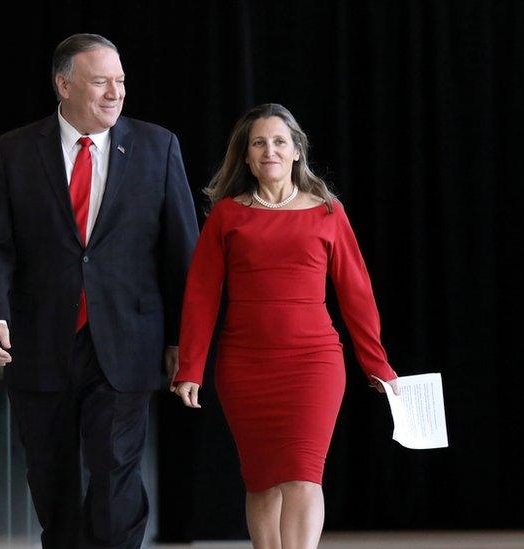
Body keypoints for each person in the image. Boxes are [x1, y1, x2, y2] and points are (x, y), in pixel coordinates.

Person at [0, 33, 198, 548]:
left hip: (127, 340)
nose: (115, 92)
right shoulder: (14, 151)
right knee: (52, 480)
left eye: (120, 81)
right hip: (40, 338)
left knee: (116, 470)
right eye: (101, 81)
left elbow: (184, 254)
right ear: (63, 85)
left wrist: (187, 342)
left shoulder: (157, 146)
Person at [171, 103, 400, 548]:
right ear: (246, 155)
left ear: (297, 151)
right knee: (260, 480)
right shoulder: (227, 215)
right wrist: (190, 368)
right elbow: (200, 296)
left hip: (313, 363)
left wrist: (377, 363)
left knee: (302, 475)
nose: (269, 150)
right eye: (259, 142)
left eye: (279, 141)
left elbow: (357, 293)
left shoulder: (328, 212)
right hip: (245, 365)